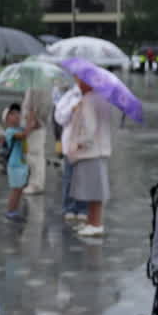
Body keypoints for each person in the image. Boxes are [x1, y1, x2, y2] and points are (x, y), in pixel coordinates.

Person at [63, 78, 114, 238]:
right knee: (95, 190)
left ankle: (95, 223)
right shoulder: (102, 98)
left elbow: (89, 129)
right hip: (100, 150)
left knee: (94, 191)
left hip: (90, 151)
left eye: (80, 81)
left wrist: (77, 143)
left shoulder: (89, 100)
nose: (78, 84)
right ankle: (92, 222)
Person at [1, 103, 39, 223]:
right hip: (14, 165)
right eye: (12, 114)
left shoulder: (19, 128)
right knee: (15, 189)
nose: (16, 116)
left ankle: (14, 210)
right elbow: (23, 135)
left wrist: (32, 118)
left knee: (19, 189)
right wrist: (29, 123)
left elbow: (35, 127)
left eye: (18, 113)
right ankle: (10, 211)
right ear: (6, 118)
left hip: (22, 164)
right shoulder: (10, 132)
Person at [54, 83, 84, 222]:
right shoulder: (70, 95)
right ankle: (69, 207)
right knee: (70, 177)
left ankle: (83, 208)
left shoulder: (94, 96)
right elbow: (59, 118)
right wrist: (72, 109)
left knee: (85, 178)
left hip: (86, 144)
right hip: (70, 143)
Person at [20, 85, 52, 195]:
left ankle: (36, 184)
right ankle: (34, 182)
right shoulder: (35, 87)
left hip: (35, 126)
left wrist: (32, 123)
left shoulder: (37, 88)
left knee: (35, 156)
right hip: (34, 124)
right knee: (34, 156)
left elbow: (35, 109)